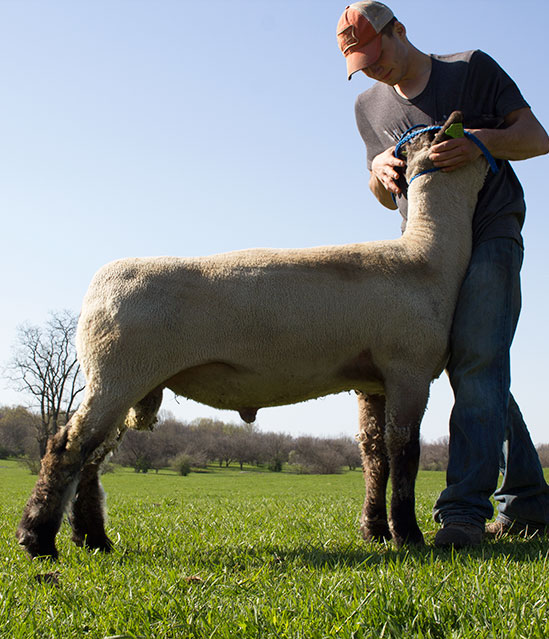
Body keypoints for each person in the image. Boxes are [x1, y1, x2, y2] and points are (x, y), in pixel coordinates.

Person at [336, 0, 549, 548]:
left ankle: (462, 516)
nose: (372, 69)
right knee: (476, 363)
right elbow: (385, 196)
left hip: (490, 233)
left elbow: (535, 137)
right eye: (359, 63)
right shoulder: (369, 108)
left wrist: (481, 140)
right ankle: (530, 500)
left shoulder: (471, 68)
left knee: (476, 357)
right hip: (424, 257)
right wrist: (379, 176)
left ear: (399, 30)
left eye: (374, 53)